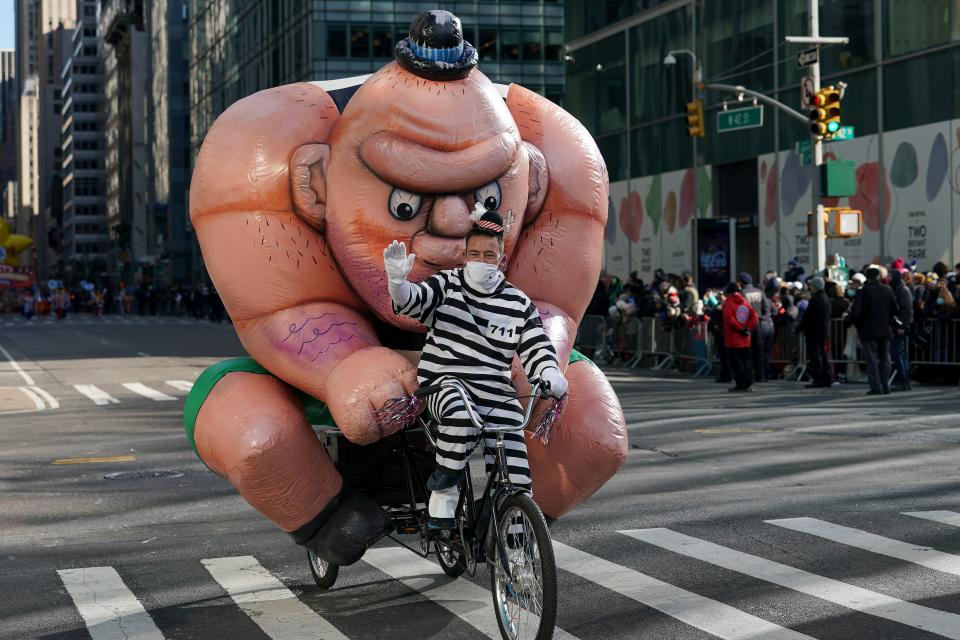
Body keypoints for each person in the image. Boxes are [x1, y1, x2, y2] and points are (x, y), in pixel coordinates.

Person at [384, 206, 568, 532]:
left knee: (518, 469)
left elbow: (536, 347)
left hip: (495, 392)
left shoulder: (518, 303)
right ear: (465, 254)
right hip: (445, 383)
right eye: (474, 253)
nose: (481, 261)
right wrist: (398, 282)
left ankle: (517, 547)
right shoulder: (447, 284)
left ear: (501, 257)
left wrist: (549, 373)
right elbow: (413, 301)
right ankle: (443, 492)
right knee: (460, 416)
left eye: (488, 254)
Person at [847, 267, 898, 395]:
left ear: (867, 277)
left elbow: (856, 312)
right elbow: (895, 309)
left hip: (868, 330)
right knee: (885, 358)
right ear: (879, 277)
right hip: (885, 329)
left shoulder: (863, 292)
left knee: (871, 360)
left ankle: (876, 386)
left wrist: (856, 324)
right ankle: (885, 384)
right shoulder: (887, 289)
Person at [722, 282, 758, 392]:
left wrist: (740, 329)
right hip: (745, 338)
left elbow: (729, 319)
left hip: (733, 338)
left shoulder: (728, 302)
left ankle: (741, 383)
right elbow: (754, 316)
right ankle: (749, 382)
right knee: (747, 361)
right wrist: (748, 328)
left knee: (737, 363)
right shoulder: (745, 302)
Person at [798, 277, 832, 388]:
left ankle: (818, 379)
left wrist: (799, 328)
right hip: (823, 331)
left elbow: (808, 316)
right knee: (822, 354)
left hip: (814, 332)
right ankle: (826, 378)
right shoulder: (825, 298)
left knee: (815, 356)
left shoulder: (815, 299)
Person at [740, 272, 773, 383]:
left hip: (751, 325)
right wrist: (764, 318)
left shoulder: (742, 294)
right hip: (762, 324)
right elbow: (767, 307)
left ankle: (755, 375)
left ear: (741, 282)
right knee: (762, 352)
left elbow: (741, 312)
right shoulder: (759, 292)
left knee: (752, 352)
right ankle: (764, 375)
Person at [889, 270, 913, 391]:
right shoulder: (897, 289)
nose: (888, 278)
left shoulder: (903, 290)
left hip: (900, 327)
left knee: (898, 354)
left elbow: (906, 310)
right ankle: (903, 379)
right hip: (897, 326)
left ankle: (904, 380)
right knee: (898, 353)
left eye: (890, 276)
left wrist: (902, 326)